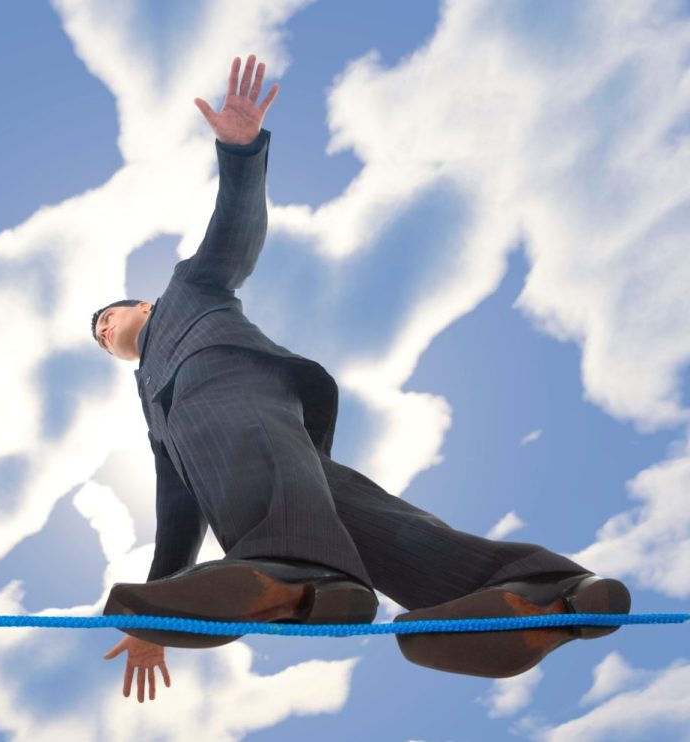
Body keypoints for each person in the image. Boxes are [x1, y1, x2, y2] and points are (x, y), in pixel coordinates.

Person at [98, 54, 630, 703]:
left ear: (144, 306)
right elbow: (179, 505)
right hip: (288, 467)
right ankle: (540, 592)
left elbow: (231, 244)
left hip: (245, 393)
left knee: (253, 462)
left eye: (110, 313)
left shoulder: (186, 292)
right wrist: (157, 616)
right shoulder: (153, 404)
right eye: (97, 333)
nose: (102, 327)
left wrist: (241, 156)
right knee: (377, 526)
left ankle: (297, 572)